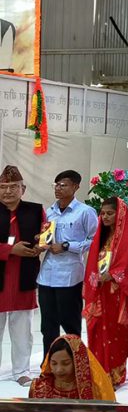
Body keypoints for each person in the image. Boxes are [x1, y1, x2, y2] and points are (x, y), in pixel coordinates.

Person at [83, 197, 128, 387]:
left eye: (110, 213)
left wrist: (113, 275)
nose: (105, 217)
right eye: (103, 213)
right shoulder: (101, 237)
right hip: (100, 293)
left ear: (120, 214)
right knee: (97, 331)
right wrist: (97, 278)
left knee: (116, 335)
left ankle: (114, 375)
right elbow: (92, 263)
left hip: (119, 296)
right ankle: (98, 373)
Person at [37, 170, 97, 360]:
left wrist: (66, 246)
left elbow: (94, 241)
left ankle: (76, 362)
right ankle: (49, 363)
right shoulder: (50, 212)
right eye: (56, 185)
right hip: (47, 275)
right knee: (48, 326)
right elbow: (46, 235)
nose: (58, 189)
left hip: (70, 276)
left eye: (63, 185)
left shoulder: (85, 212)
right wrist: (41, 240)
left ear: (76, 187)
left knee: (70, 324)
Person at [0, 165, 44, 386]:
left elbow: (45, 234)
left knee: (22, 331)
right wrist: (10, 250)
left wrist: (40, 245)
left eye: (13, 187)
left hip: (23, 279)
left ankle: (21, 371)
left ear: (23, 189)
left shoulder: (35, 210)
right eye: (3, 187)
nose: (8, 191)